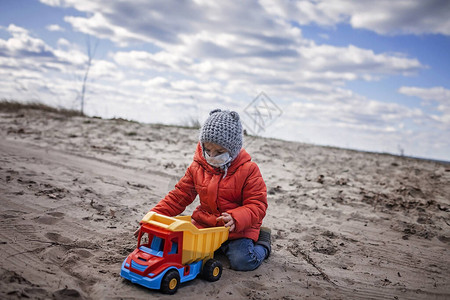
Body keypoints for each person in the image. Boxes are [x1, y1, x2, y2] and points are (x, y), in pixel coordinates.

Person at [149, 108, 270, 271]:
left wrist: (236, 218)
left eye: (219, 152)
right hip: (206, 225)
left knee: (242, 261)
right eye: (207, 150)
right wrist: (153, 218)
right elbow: (179, 196)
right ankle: (219, 248)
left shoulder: (249, 170)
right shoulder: (197, 166)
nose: (212, 156)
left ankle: (263, 243)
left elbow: (258, 205)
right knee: (178, 250)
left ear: (233, 150)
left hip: (237, 230)